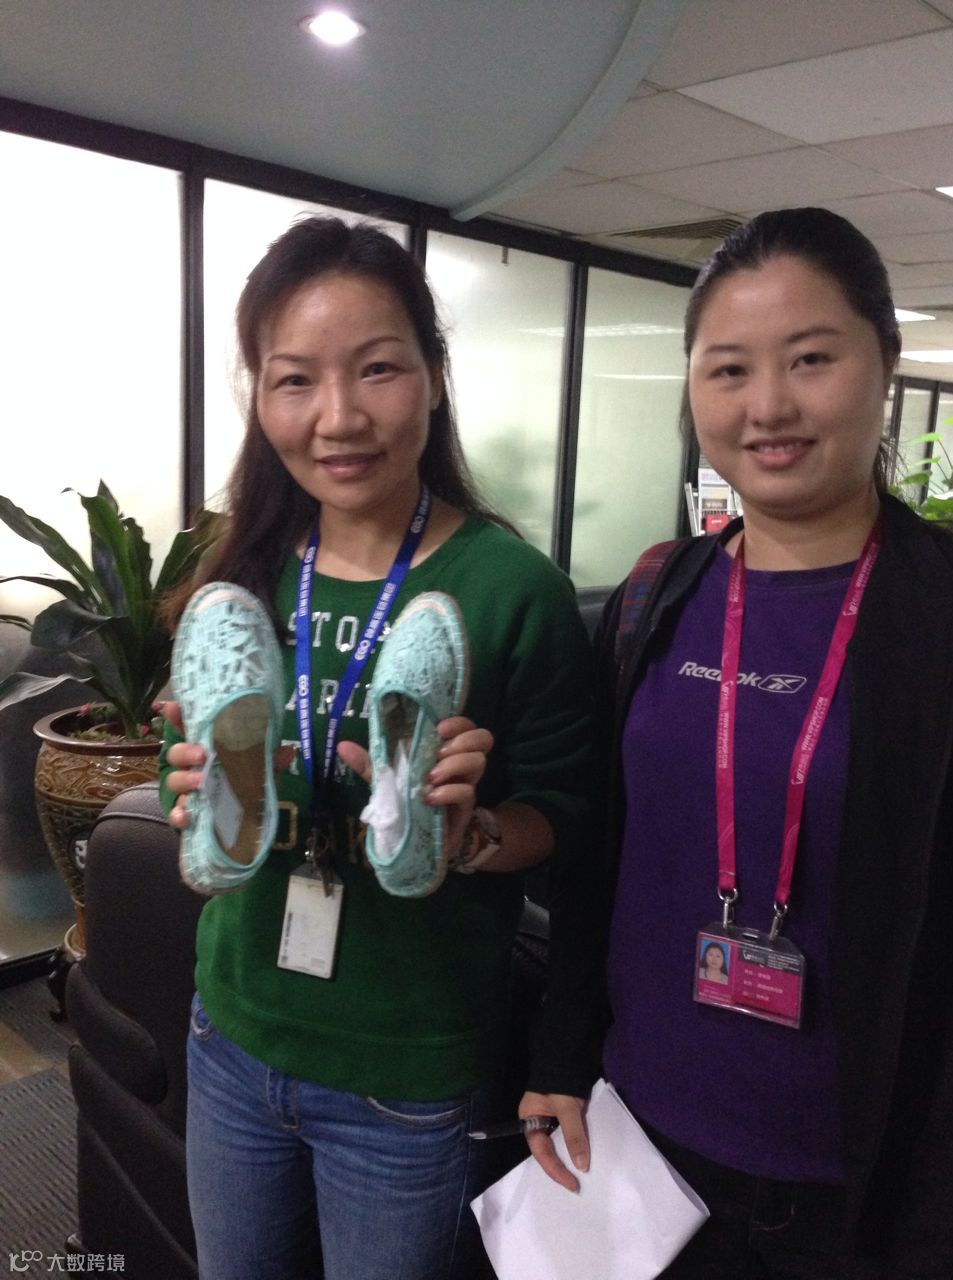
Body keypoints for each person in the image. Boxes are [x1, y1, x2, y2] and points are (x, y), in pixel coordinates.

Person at [521, 208, 953, 1279]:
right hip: (638, 1140)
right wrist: (561, 1055)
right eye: (728, 369)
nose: (767, 406)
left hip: (863, 1187)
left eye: (810, 358)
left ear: (884, 360)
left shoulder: (944, 610)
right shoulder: (654, 596)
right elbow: (602, 858)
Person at [159, 215, 594, 1280]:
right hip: (235, 1026)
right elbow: (191, 750)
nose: (339, 417)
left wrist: (475, 831)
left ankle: (410, 837)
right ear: (259, 397)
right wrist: (193, 783)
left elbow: (568, 815)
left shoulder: (512, 587)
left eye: (378, 369)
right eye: (294, 379)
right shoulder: (246, 566)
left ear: (434, 377)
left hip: (405, 1064)